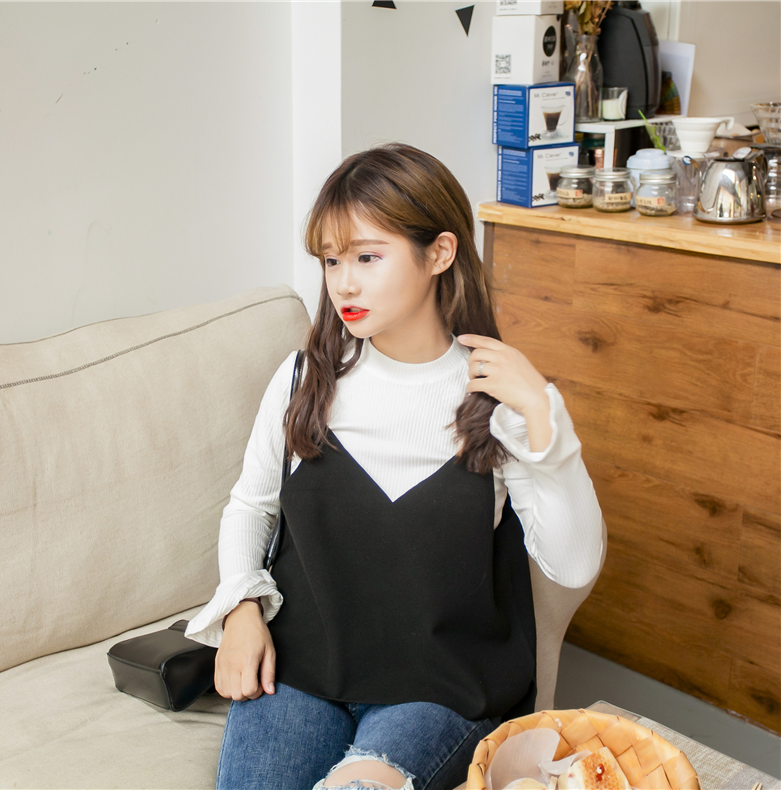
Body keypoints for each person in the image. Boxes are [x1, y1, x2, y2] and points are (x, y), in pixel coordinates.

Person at [185, 142, 603, 790]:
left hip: (441, 687)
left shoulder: (496, 398)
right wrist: (240, 607)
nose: (343, 283)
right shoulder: (303, 379)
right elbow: (251, 505)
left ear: (439, 253)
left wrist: (545, 418)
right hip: (300, 670)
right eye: (331, 260)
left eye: (367, 257)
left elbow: (571, 566)